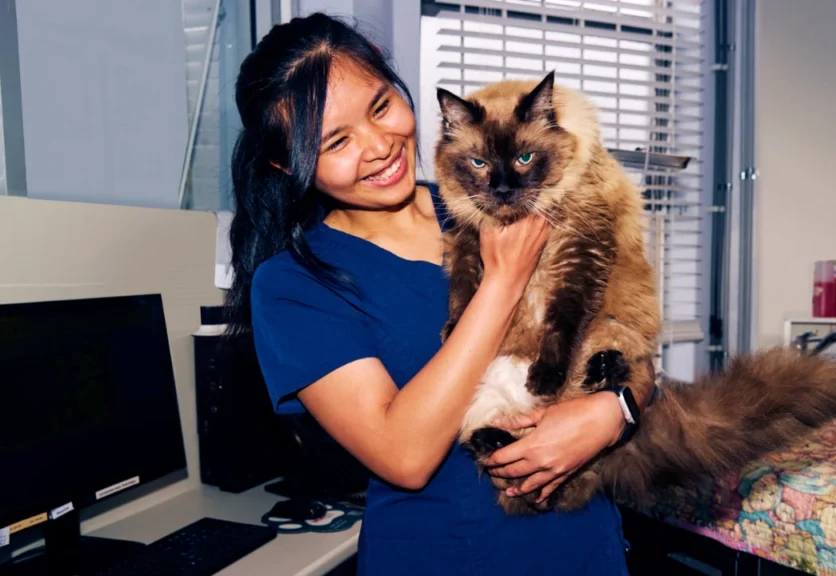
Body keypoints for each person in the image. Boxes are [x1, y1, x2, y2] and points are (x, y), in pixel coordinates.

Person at [225, 12, 648, 575]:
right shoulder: (295, 285)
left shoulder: (495, 193)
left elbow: (629, 338)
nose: (379, 145)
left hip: (586, 548)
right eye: (337, 141)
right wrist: (502, 281)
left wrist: (615, 410)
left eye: (380, 107)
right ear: (287, 164)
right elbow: (405, 456)